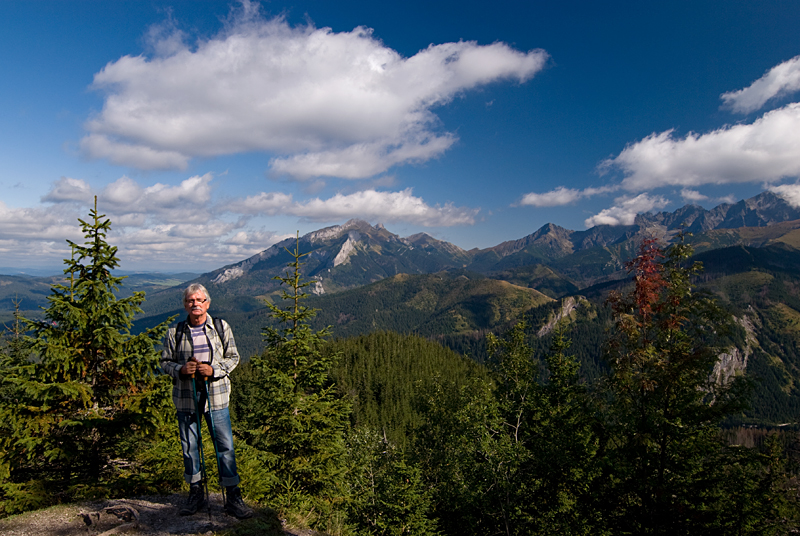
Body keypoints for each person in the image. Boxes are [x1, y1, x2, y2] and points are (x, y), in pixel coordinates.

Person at [161, 283, 253, 519]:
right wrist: (181, 369)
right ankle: (196, 494)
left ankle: (233, 496)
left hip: (217, 395)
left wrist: (214, 370)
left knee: (225, 446)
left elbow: (234, 358)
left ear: (207, 303)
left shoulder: (221, 328)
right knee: (189, 446)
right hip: (186, 396)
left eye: (199, 300)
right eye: (191, 301)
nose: (195, 304)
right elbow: (164, 363)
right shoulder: (175, 332)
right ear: (185, 305)